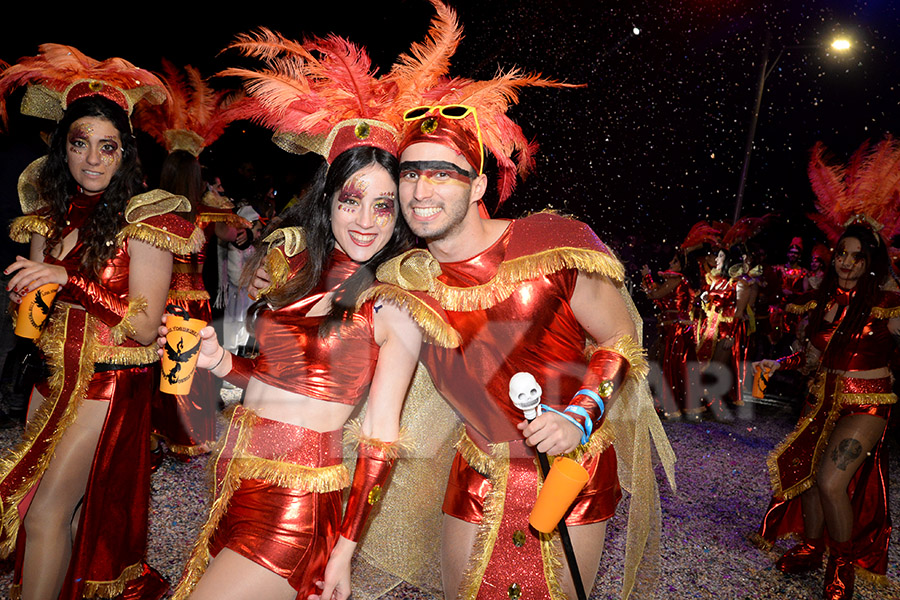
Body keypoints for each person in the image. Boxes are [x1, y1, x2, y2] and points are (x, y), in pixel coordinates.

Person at [346, 5, 675, 597]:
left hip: (569, 475)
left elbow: (620, 339)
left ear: (477, 186)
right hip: (475, 468)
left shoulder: (552, 243)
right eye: (412, 172)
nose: (422, 188)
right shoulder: (405, 278)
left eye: (443, 173)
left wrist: (580, 415)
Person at [167, 30, 457, 600]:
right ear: (327, 199)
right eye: (351, 200)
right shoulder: (299, 277)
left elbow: (379, 439)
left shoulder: (393, 304)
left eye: (383, 204)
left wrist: (344, 552)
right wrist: (222, 360)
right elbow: (276, 384)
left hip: (296, 503)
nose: (367, 221)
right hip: (239, 479)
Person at [0, 45, 200, 599]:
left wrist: (67, 281)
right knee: (35, 509)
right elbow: (35, 317)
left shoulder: (146, 217)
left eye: (107, 146)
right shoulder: (46, 217)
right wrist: (29, 297)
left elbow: (142, 326)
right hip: (50, 378)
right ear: (62, 148)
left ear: (125, 153)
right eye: (80, 143)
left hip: (107, 384)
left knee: (45, 514)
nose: (92, 159)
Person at [752, 138, 900, 600]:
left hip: (866, 406)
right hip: (822, 401)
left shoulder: (889, 303)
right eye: (843, 254)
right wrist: (777, 362)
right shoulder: (824, 302)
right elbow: (813, 357)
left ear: (872, 261)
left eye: (859, 257)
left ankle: (843, 566)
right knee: (811, 480)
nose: (847, 263)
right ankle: (814, 547)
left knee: (832, 481)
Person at [131, 65, 251, 462]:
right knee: (188, 371)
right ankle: (186, 437)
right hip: (193, 301)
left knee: (153, 367)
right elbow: (238, 232)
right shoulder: (206, 211)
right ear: (197, 172)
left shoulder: (149, 211)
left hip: (155, 298)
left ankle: (150, 432)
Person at [640, 251, 698, 419]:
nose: (671, 264)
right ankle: (677, 404)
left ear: (682, 265)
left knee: (670, 366)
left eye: (675, 261)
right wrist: (648, 283)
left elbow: (656, 295)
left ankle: (669, 405)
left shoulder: (676, 279)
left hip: (676, 329)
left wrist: (648, 279)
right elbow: (660, 300)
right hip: (675, 327)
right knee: (674, 366)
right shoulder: (678, 281)